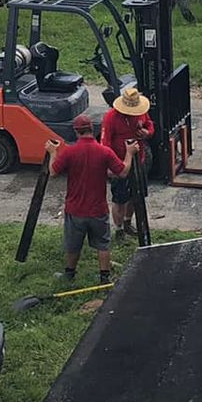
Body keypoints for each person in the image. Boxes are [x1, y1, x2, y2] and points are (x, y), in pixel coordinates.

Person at [49, 114, 125, 283]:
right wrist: (130, 154)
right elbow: (123, 171)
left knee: (73, 244)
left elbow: (53, 172)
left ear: (76, 132)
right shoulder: (105, 151)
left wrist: (52, 152)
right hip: (98, 209)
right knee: (103, 244)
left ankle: (69, 274)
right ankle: (104, 277)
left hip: (75, 209)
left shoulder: (70, 151)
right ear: (91, 129)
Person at [100, 88, 155, 233]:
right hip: (119, 163)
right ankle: (118, 230)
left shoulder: (141, 111)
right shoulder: (110, 117)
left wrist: (147, 132)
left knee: (137, 195)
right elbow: (105, 144)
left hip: (139, 160)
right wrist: (109, 166)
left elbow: (149, 124)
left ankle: (127, 222)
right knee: (119, 199)